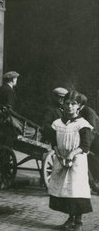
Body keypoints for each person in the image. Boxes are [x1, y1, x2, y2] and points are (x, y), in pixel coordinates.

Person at [48, 90, 94, 231]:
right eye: (67, 103)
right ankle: (70, 219)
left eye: (73, 104)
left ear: (79, 107)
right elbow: (53, 142)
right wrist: (58, 153)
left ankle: (78, 222)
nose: (70, 106)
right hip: (61, 160)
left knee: (76, 191)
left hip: (76, 162)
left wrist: (71, 154)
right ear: (63, 104)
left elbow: (85, 146)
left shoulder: (82, 124)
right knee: (65, 190)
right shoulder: (57, 123)